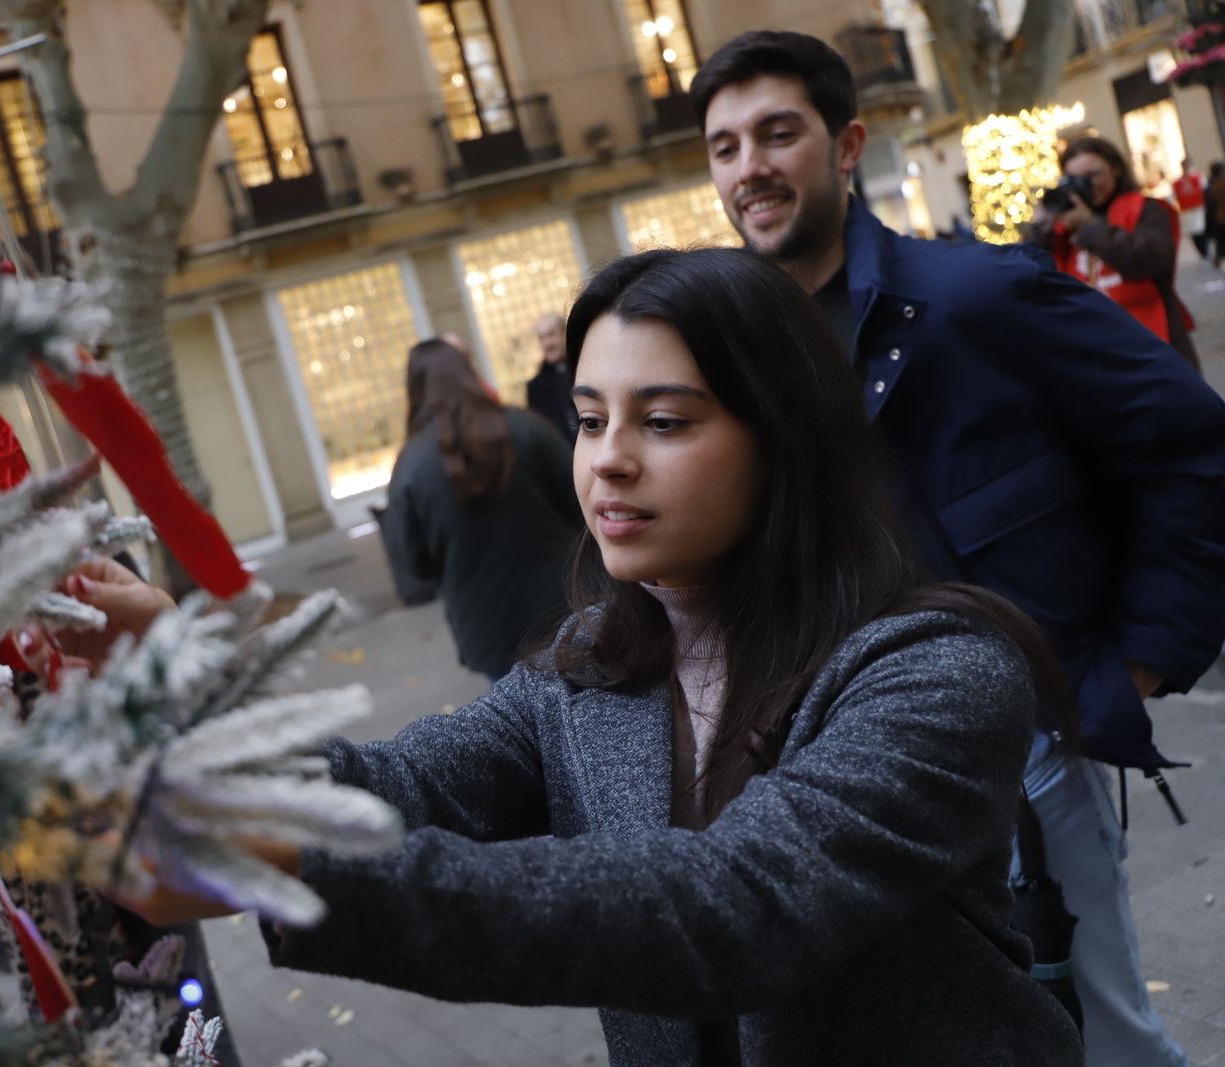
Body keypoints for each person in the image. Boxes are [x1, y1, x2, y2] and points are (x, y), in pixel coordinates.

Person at [89, 247, 1083, 1065]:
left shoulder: (935, 668)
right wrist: (177, 676)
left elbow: (732, 907)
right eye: (591, 418)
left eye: (663, 421)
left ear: (784, 441)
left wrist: (288, 863)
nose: (607, 457)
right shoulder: (591, 662)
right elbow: (393, 784)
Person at [688, 30, 1225, 1067]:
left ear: (846, 146)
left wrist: (1133, 665)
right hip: (835, 776)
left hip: (1020, 760)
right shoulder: (737, 362)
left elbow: (1193, 447)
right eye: (722, 147)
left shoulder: (977, 297)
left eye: (775, 133)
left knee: (1099, 1039)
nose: (747, 166)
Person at [378, 337, 580, 679]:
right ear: (468, 372)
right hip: (567, 605)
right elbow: (581, 503)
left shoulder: (410, 467)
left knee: (521, 726)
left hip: (489, 628)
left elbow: (415, 566)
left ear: (414, 389)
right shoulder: (526, 427)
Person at [1028, 135, 1199, 369]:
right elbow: (1032, 272)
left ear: (1116, 169)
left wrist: (1089, 225)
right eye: (1074, 179)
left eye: (1092, 175)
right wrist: (1042, 229)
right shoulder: (1063, 226)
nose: (1087, 185)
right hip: (1095, 351)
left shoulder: (1146, 209)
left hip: (1154, 344)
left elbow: (1149, 260)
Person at [525, 311, 577, 442]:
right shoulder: (536, 388)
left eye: (551, 335)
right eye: (542, 338)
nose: (547, 344)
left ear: (564, 333)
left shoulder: (585, 367)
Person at [1172, 157, 1209, 259]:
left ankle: (1206, 251)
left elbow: (1206, 191)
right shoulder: (1177, 182)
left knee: (1203, 231)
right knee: (1194, 232)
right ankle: (1203, 252)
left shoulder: (1199, 177)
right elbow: (1173, 197)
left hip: (1199, 209)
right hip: (1187, 211)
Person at [1208, 161, 1225, 268]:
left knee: (1221, 241)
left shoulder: (1211, 184)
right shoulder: (1220, 184)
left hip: (1219, 217)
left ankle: (1218, 259)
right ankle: (1218, 259)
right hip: (1221, 216)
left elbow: (1210, 204)